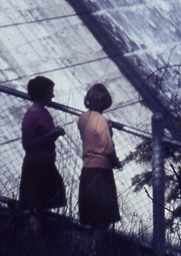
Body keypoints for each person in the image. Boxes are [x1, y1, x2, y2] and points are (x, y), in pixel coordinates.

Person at [18, 76, 67, 234]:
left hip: (45, 164)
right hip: (35, 166)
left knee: (42, 203)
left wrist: (54, 134)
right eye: (49, 93)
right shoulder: (32, 117)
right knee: (36, 206)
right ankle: (33, 238)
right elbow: (28, 144)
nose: (52, 96)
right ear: (40, 94)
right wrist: (50, 135)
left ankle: (35, 237)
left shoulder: (44, 112)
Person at [77, 83, 121, 252]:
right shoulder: (102, 121)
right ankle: (96, 250)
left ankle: (92, 248)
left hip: (87, 169)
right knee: (103, 218)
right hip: (101, 171)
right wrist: (116, 162)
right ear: (104, 102)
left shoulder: (83, 118)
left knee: (94, 216)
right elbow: (108, 149)